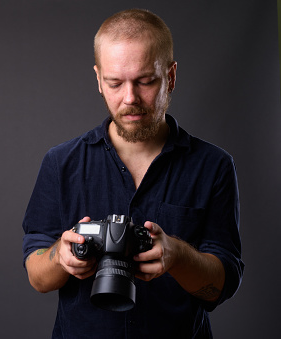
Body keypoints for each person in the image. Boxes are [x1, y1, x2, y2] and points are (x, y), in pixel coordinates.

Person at [22, 8, 244, 339]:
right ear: (98, 79)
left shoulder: (213, 166)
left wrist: (176, 255)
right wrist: (62, 257)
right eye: (115, 83)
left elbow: (221, 286)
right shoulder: (60, 163)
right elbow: (37, 276)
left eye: (145, 81)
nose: (130, 98)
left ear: (170, 76)